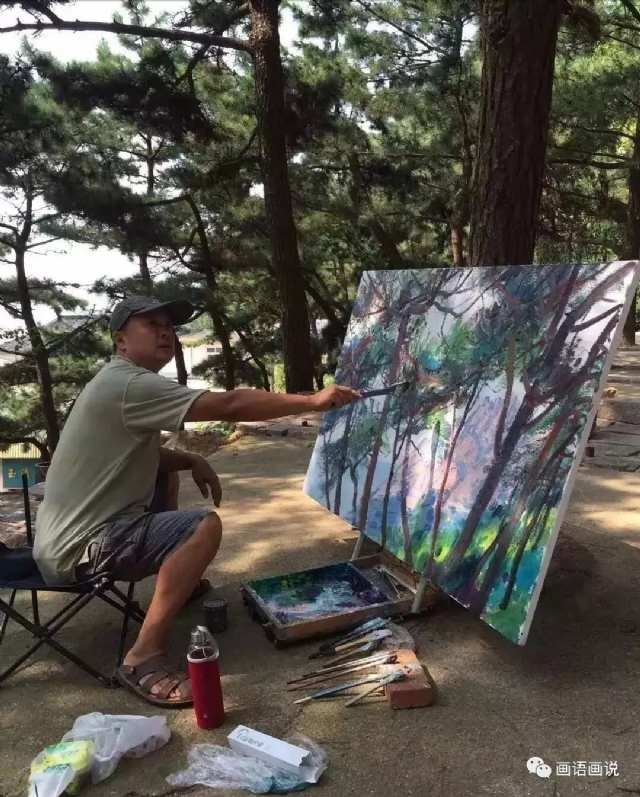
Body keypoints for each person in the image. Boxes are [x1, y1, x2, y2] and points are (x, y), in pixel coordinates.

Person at [34, 296, 360, 707]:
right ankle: (142, 657)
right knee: (202, 527)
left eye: (168, 326)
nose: (165, 332)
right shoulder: (129, 384)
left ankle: (176, 583)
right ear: (120, 340)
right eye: (152, 324)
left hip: (69, 539)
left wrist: (190, 459)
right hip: (81, 548)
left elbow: (138, 454)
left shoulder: (118, 382)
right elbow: (229, 404)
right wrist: (312, 401)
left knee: (168, 472)